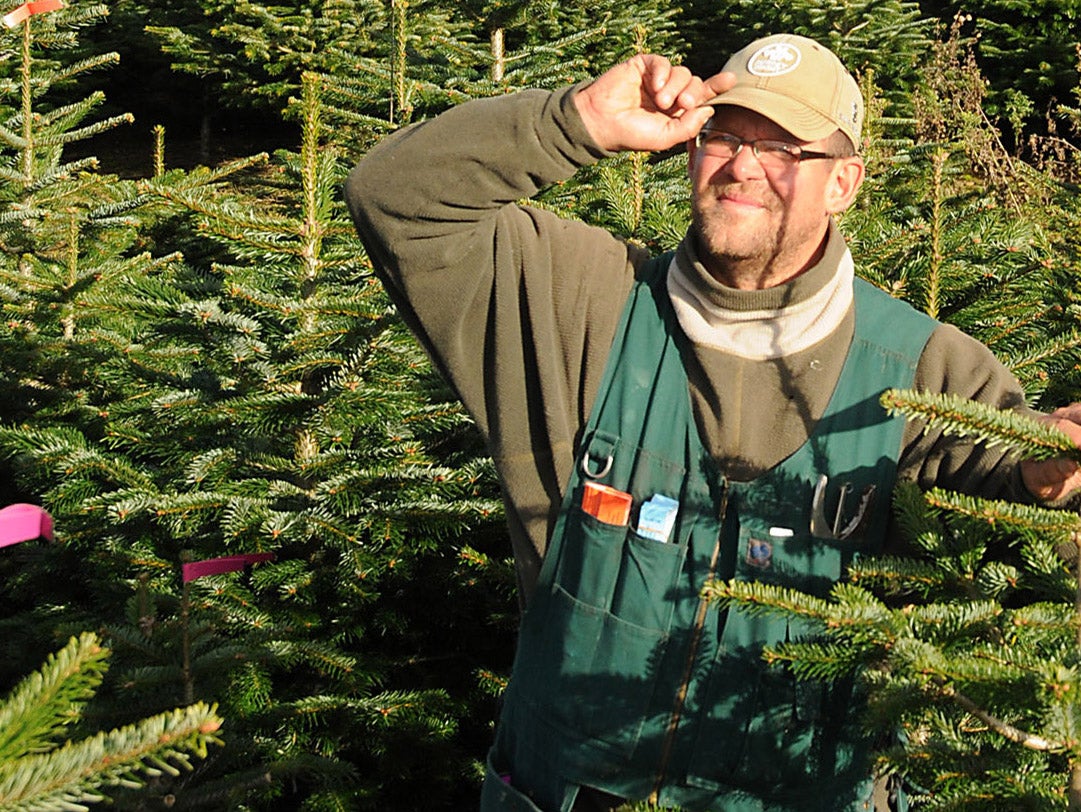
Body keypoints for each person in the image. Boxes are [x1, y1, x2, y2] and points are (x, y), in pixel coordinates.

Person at [346, 33, 1081, 812]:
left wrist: (1047, 476)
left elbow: (1013, 523)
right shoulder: (585, 301)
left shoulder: (925, 371)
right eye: (723, 135)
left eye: (783, 149)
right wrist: (579, 120)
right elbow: (393, 196)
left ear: (843, 183)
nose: (740, 166)